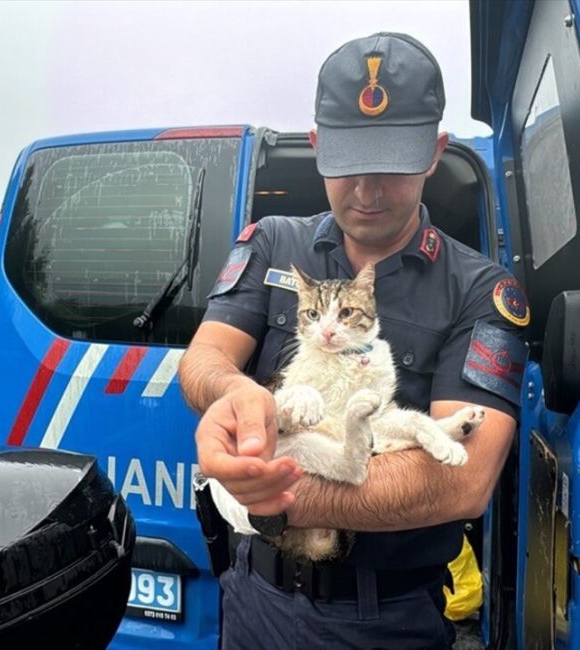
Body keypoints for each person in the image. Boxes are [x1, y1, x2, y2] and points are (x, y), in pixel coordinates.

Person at [178, 32, 527, 648]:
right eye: (347, 164)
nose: (367, 191)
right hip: (251, 596)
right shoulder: (271, 243)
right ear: (316, 147)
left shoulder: (479, 289)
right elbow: (204, 359)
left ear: (433, 152)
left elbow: (465, 479)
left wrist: (277, 498)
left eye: (392, 164)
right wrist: (234, 392)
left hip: (382, 621)